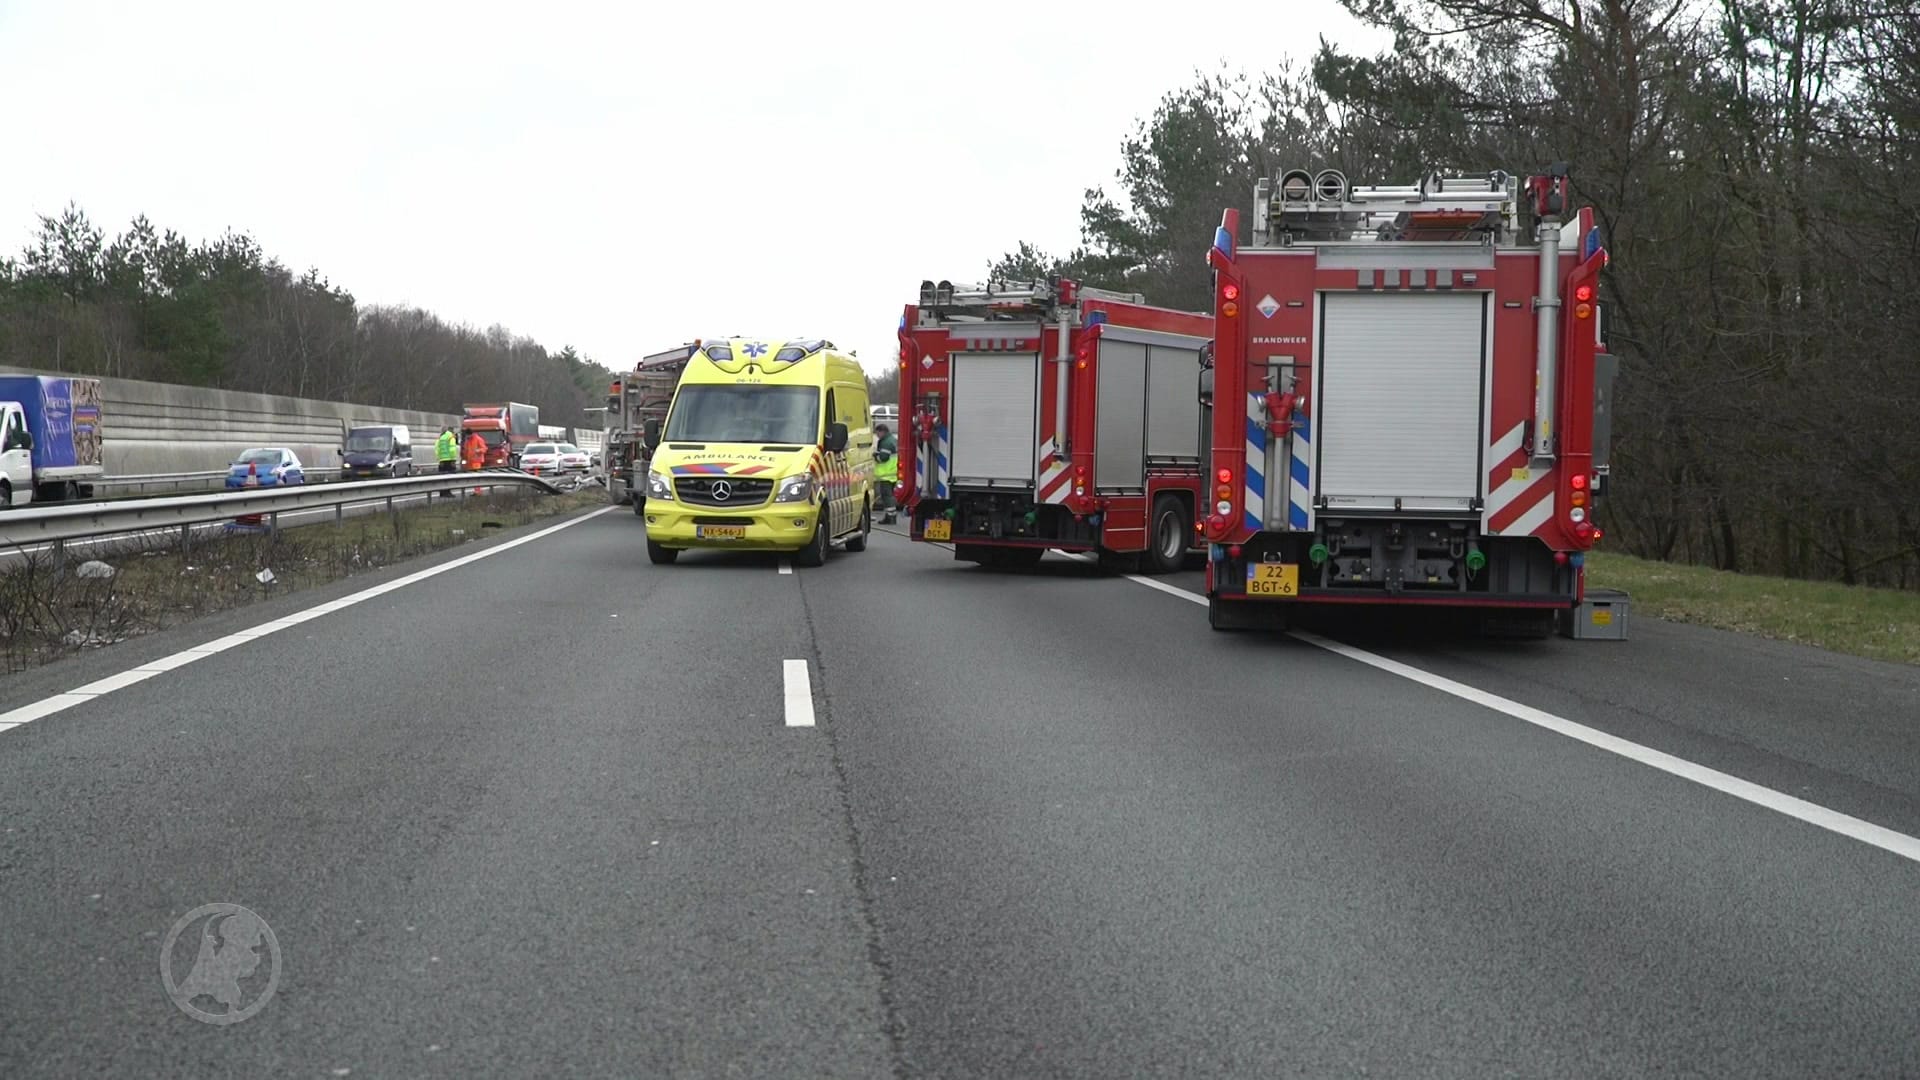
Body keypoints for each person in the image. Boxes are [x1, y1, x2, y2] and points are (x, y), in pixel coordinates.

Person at [873, 423, 899, 524]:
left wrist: (876, 456)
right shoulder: (891, 439)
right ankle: (891, 515)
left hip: (886, 474)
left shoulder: (886, 442)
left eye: (877, 433)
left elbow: (883, 458)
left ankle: (890, 517)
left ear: (882, 432)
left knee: (886, 496)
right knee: (889, 495)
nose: (877, 435)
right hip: (892, 473)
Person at [435, 427, 458, 496]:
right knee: (449, 477)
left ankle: (442, 493)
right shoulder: (451, 437)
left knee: (442, 477)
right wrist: (453, 459)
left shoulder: (441, 437)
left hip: (442, 461)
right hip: (449, 460)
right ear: (451, 431)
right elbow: (452, 449)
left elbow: (436, 449)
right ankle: (448, 492)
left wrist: (439, 459)